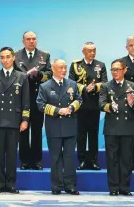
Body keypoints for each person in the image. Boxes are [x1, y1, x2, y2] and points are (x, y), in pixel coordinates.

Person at [0, 47, 29, 194]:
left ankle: (10, 183)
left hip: (14, 120)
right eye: (2, 57)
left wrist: (25, 119)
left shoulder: (22, 76)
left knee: (11, 154)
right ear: (0, 59)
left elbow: (26, 101)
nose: (5, 60)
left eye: (8, 57)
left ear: (13, 58)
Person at [36, 59, 82, 195]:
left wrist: (72, 107)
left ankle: (70, 186)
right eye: (61, 67)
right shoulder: (45, 86)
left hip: (70, 126)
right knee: (55, 158)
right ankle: (56, 186)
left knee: (69, 158)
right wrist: (58, 110)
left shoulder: (72, 84)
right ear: (53, 69)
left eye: (65, 67)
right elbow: (40, 105)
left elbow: (79, 99)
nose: (64, 70)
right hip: (54, 127)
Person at [99, 59, 134, 196]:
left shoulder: (132, 86)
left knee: (126, 160)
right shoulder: (106, 86)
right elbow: (101, 103)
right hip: (111, 128)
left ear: (124, 70)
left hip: (127, 127)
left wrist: (132, 102)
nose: (115, 72)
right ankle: (114, 188)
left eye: (118, 69)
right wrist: (109, 107)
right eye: (113, 70)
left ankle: (125, 188)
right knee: (112, 159)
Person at [14, 31, 52, 170]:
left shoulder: (44, 55)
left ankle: (36, 160)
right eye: (28, 39)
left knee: (36, 130)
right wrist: (25, 75)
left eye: (34, 39)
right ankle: (24, 160)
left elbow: (49, 73)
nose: (31, 41)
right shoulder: (16, 55)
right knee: (23, 130)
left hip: (38, 97)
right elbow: (13, 74)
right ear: (23, 41)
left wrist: (39, 74)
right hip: (21, 96)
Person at [69, 42, 108, 170]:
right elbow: (71, 82)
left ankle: (93, 161)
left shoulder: (100, 65)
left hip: (94, 106)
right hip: (80, 105)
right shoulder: (76, 65)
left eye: (94, 50)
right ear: (83, 51)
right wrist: (84, 88)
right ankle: (81, 160)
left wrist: (95, 87)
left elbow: (105, 83)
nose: (92, 53)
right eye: (89, 50)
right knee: (80, 134)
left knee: (93, 134)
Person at [120, 36, 134, 170]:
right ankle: (131, 162)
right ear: (126, 47)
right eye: (131, 45)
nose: (133, 47)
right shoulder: (121, 62)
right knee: (127, 135)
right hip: (126, 104)